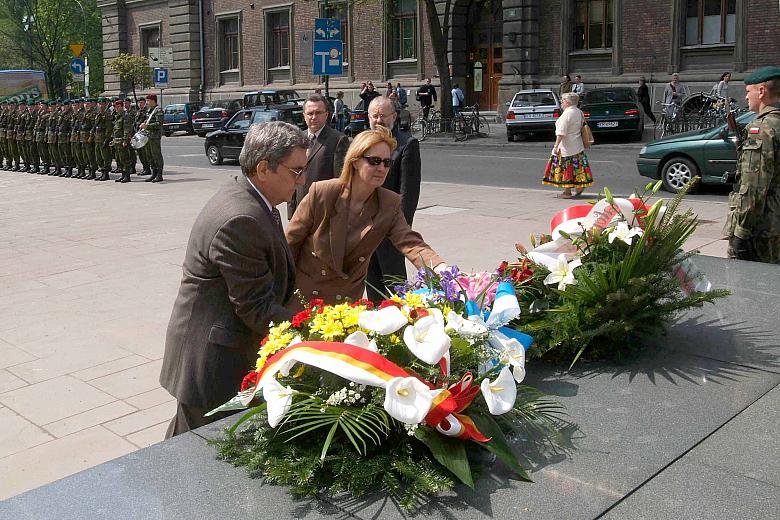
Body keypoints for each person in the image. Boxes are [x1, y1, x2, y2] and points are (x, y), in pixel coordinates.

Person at [160, 121, 307, 437]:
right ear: (264, 167)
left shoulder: (253, 200)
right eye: (296, 171)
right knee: (194, 456)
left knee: (185, 445)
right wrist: (316, 331)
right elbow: (256, 308)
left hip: (219, 353)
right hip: (213, 366)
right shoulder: (241, 218)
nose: (302, 179)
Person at [286, 125, 444, 307]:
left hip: (345, 305)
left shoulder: (388, 203)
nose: (382, 168)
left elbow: (411, 243)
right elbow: (289, 244)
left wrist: (440, 268)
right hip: (305, 300)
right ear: (354, 161)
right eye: (374, 161)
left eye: (387, 162)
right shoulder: (323, 193)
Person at [364, 96, 422, 302]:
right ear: (369, 117)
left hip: (391, 229)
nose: (379, 120)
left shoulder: (407, 144)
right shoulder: (362, 142)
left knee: (395, 286)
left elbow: (408, 192)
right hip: (365, 227)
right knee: (371, 283)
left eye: (383, 116)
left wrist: (399, 228)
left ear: (394, 117)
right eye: (375, 116)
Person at [724, 66, 780, 264]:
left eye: (749, 91)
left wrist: (741, 233)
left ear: (762, 91)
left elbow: (754, 187)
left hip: (761, 230)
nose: (746, 97)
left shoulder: (762, 129)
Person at [287, 93, 349, 218]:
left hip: (324, 211)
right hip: (300, 211)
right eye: (310, 113)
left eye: (318, 113)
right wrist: (291, 213)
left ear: (326, 115)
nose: (314, 117)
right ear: (304, 116)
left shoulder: (338, 140)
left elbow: (340, 181)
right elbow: (292, 177)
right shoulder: (296, 139)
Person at [543, 92, 593, 199]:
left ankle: (567, 192)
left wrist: (556, 146)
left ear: (567, 102)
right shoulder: (579, 112)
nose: (561, 102)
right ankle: (579, 187)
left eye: (562, 100)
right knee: (577, 167)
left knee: (566, 168)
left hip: (566, 145)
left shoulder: (566, 114)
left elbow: (561, 133)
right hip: (577, 144)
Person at [140, 93, 164, 182]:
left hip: (154, 137)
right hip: (147, 136)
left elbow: (158, 123)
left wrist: (147, 126)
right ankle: (154, 173)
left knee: (156, 155)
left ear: (153, 100)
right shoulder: (149, 110)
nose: (146, 102)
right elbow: (147, 120)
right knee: (149, 155)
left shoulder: (158, 110)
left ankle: (159, 174)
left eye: (148, 101)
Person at [110, 98, 134, 183]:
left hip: (122, 141)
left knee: (125, 159)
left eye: (118, 106)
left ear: (122, 106)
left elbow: (127, 130)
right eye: (115, 106)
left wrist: (125, 141)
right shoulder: (117, 116)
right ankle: (123, 175)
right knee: (119, 159)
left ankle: (127, 176)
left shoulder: (125, 116)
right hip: (117, 141)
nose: (116, 108)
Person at [92, 97, 114, 181]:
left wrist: (107, 139)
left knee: (105, 156)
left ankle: (106, 173)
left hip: (104, 138)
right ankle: (102, 171)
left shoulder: (107, 114)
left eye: (102, 104)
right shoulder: (97, 113)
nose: (101, 105)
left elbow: (109, 128)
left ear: (105, 104)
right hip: (97, 138)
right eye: (99, 104)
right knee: (98, 156)